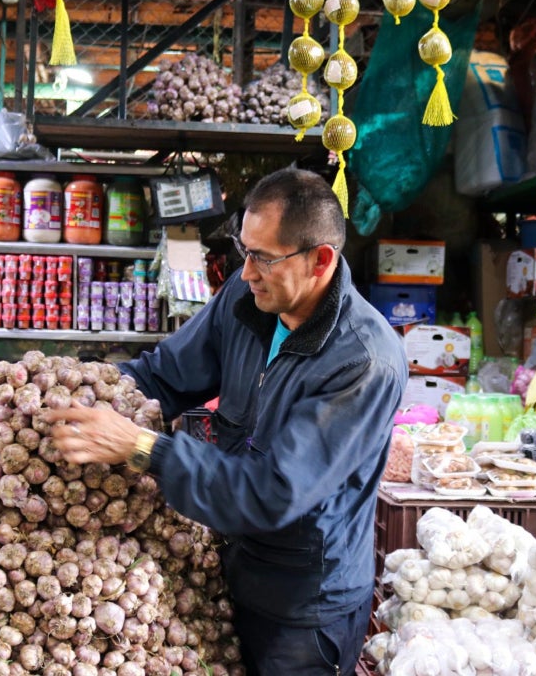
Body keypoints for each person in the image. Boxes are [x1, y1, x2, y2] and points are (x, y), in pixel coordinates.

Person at [47, 168, 407, 676]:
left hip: (304, 609)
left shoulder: (363, 362)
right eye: (244, 250)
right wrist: (80, 389)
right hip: (235, 568)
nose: (247, 272)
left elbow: (272, 492)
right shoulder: (248, 300)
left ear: (321, 260)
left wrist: (142, 447)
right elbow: (163, 375)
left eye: (264, 258)